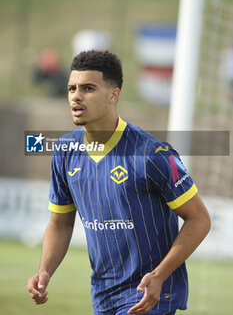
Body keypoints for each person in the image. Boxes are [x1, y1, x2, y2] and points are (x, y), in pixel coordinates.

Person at [27, 50, 211, 315]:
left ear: (114, 95)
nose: (76, 96)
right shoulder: (64, 150)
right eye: (71, 88)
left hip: (150, 294)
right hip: (103, 295)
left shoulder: (152, 154)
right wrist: (44, 272)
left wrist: (160, 275)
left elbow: (200, 219)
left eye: (88, 88)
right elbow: (60, 222)